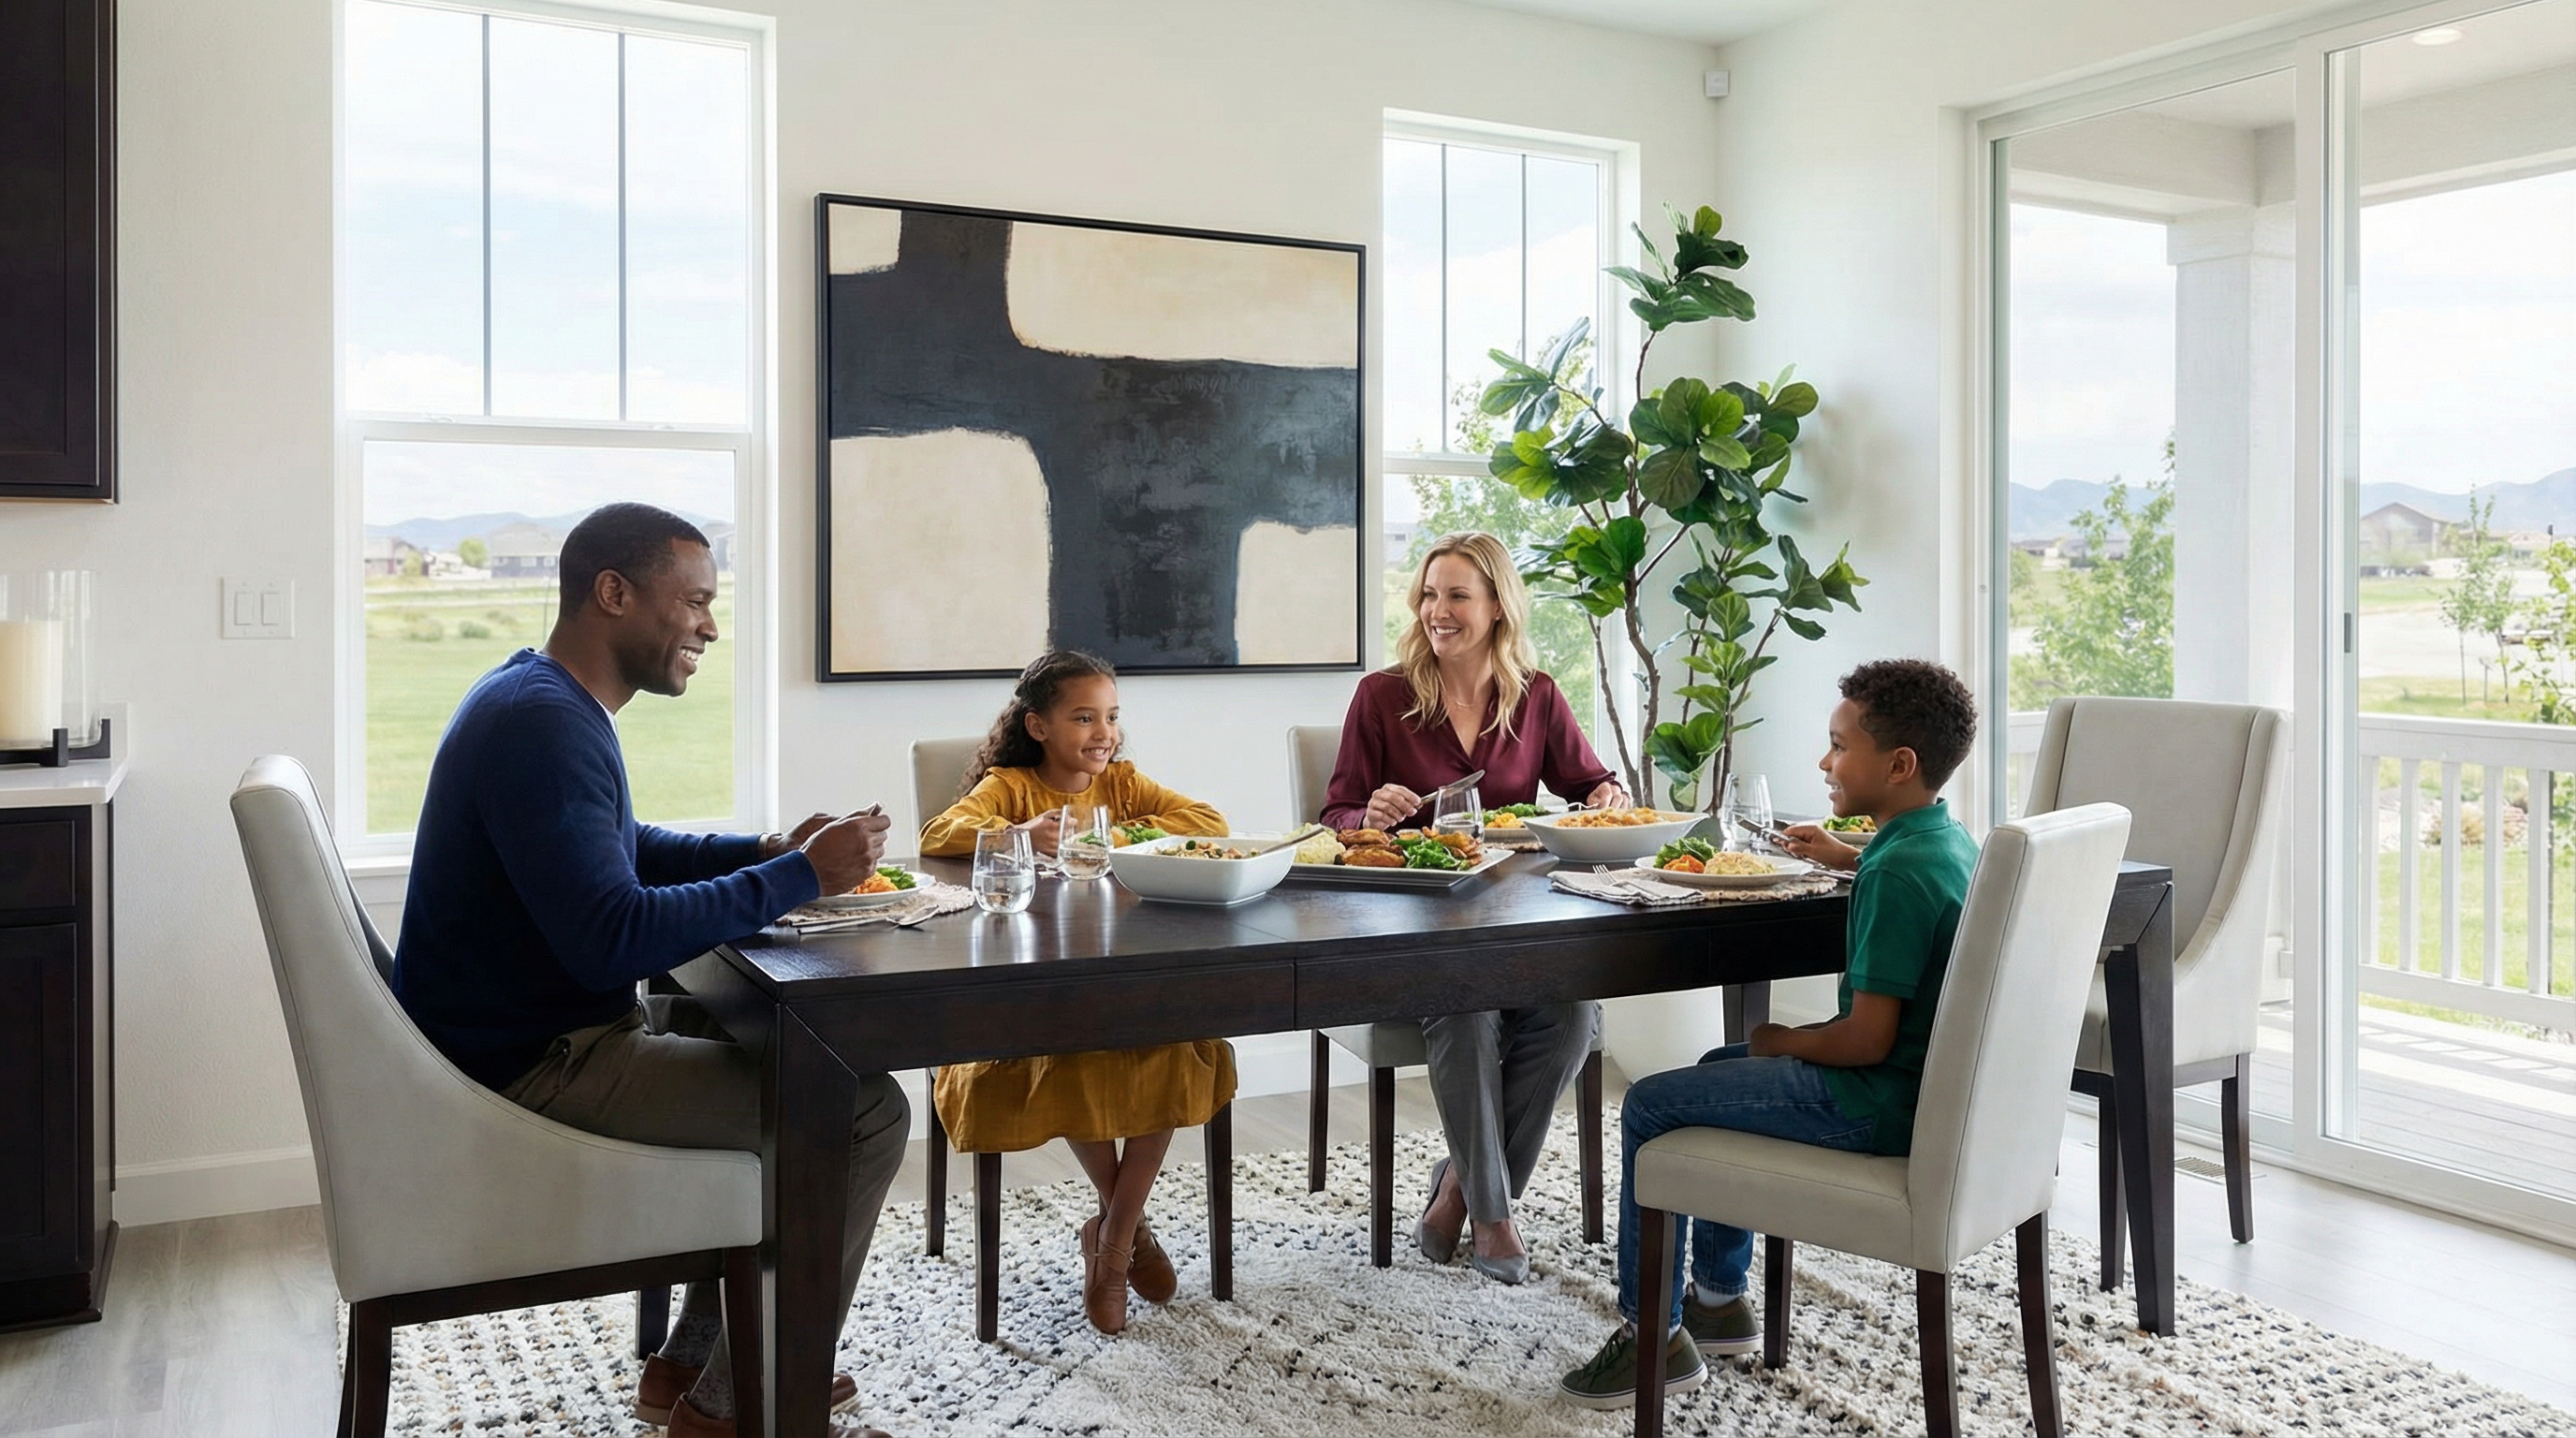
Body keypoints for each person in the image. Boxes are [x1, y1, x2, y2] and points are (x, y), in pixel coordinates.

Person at [394, 503, 903, 1438]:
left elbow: (622, 848)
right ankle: (744, 1407)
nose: (711, 625)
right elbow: (612, 937)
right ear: (614, 593)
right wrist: (797, 876)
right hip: (539, 1066)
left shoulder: (535, 698)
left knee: (744, 1034)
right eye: (697, 601)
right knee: (864, 1108)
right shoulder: (544, 726)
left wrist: (760, 849)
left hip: (521, 1039)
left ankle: (691, 1373)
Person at [1557, 658, 1981, 1410]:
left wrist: (1782, 1039)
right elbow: (1901, 884)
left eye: (1839, 745)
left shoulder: (1896, 877)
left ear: (1900, 762)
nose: (1824, 761)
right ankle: (1719, 1299)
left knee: (1653, 1102)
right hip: (1917, 1093)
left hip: (1872, 1100)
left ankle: (1649, 1334)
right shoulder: (1938, 845)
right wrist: (1847, 857)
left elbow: (1866, 1041)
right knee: (1720, 1062)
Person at [1318, 531, 1628, 1284]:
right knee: (1464, 1011)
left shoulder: (1538, 695)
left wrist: (1605, 796)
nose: (1438, 610)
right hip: (1416, 927)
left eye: (1457, 595)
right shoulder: (1383, 696)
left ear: (1496, 606)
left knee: (1573, 1021)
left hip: (1523, 921)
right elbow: (1332, 818)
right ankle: (1493, 1217)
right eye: (1429, 594)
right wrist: (1372, 813)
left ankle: (1455, 1188)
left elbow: (1591, 784)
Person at [918, 649, 1236, 1333]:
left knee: (1178, 1052)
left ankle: (1113, 1243)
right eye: (1084, 717)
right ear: (1038, 726)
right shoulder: (1010, 785)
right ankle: (1129, 1239)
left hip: (1125, 981)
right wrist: (1019, 835)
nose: (1104, 733)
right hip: (1035, 994)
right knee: (1071, 1063)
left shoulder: (1119, 785)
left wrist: (1119, 833)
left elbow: (1208, 822)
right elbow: (938, 835)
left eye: (1112, 717)